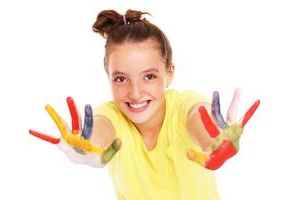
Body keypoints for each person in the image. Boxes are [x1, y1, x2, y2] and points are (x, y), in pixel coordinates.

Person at [29, 9, 260, 200]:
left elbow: (200, 123)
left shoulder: (184, 105)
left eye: (149, 76)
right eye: (121, 79)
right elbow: (99, 134)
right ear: (108, 78)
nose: (136, 93)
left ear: (169, 73)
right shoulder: (112, 115)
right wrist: (85, 145)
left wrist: (216, 143)